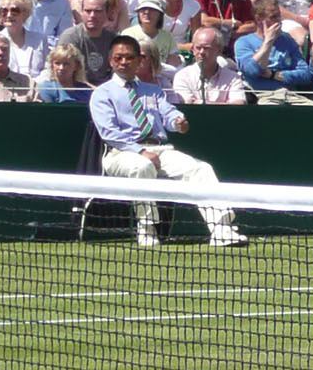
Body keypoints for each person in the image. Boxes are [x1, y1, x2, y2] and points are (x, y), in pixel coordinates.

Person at [88, 35, 246, 247]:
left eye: (129, 57)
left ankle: (221, 229)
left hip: (161, 150)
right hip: (121, 154)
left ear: (138, 60)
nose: (124, 62)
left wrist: (178, 122)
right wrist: (139, 151)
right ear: (110, 61)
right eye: (118, 58)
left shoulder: (153, 91)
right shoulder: (102, 94)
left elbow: (168, 113)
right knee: (142, 167)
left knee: (200, 169)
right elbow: (109, 133)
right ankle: (147, 230)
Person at [236, 0, 313, 102]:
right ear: (259, 19)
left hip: (290, 95)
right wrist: (268, 42)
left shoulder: (287, 41)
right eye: (273, 17)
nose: (279, 21)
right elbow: (252, 71)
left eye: (279, 16)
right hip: (263, 96)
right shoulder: (244, 42)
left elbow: (305, 75)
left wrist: (274, 75)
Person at [171, 26, 246, 105]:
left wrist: (200, 102)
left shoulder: (233, 78)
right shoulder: (182, 76)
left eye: (206, 48)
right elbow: (187, 103)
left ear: (219, 50)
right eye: (198, 48)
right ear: (192, 49)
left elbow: (238, 104)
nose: (201, 52)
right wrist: (225, 104)